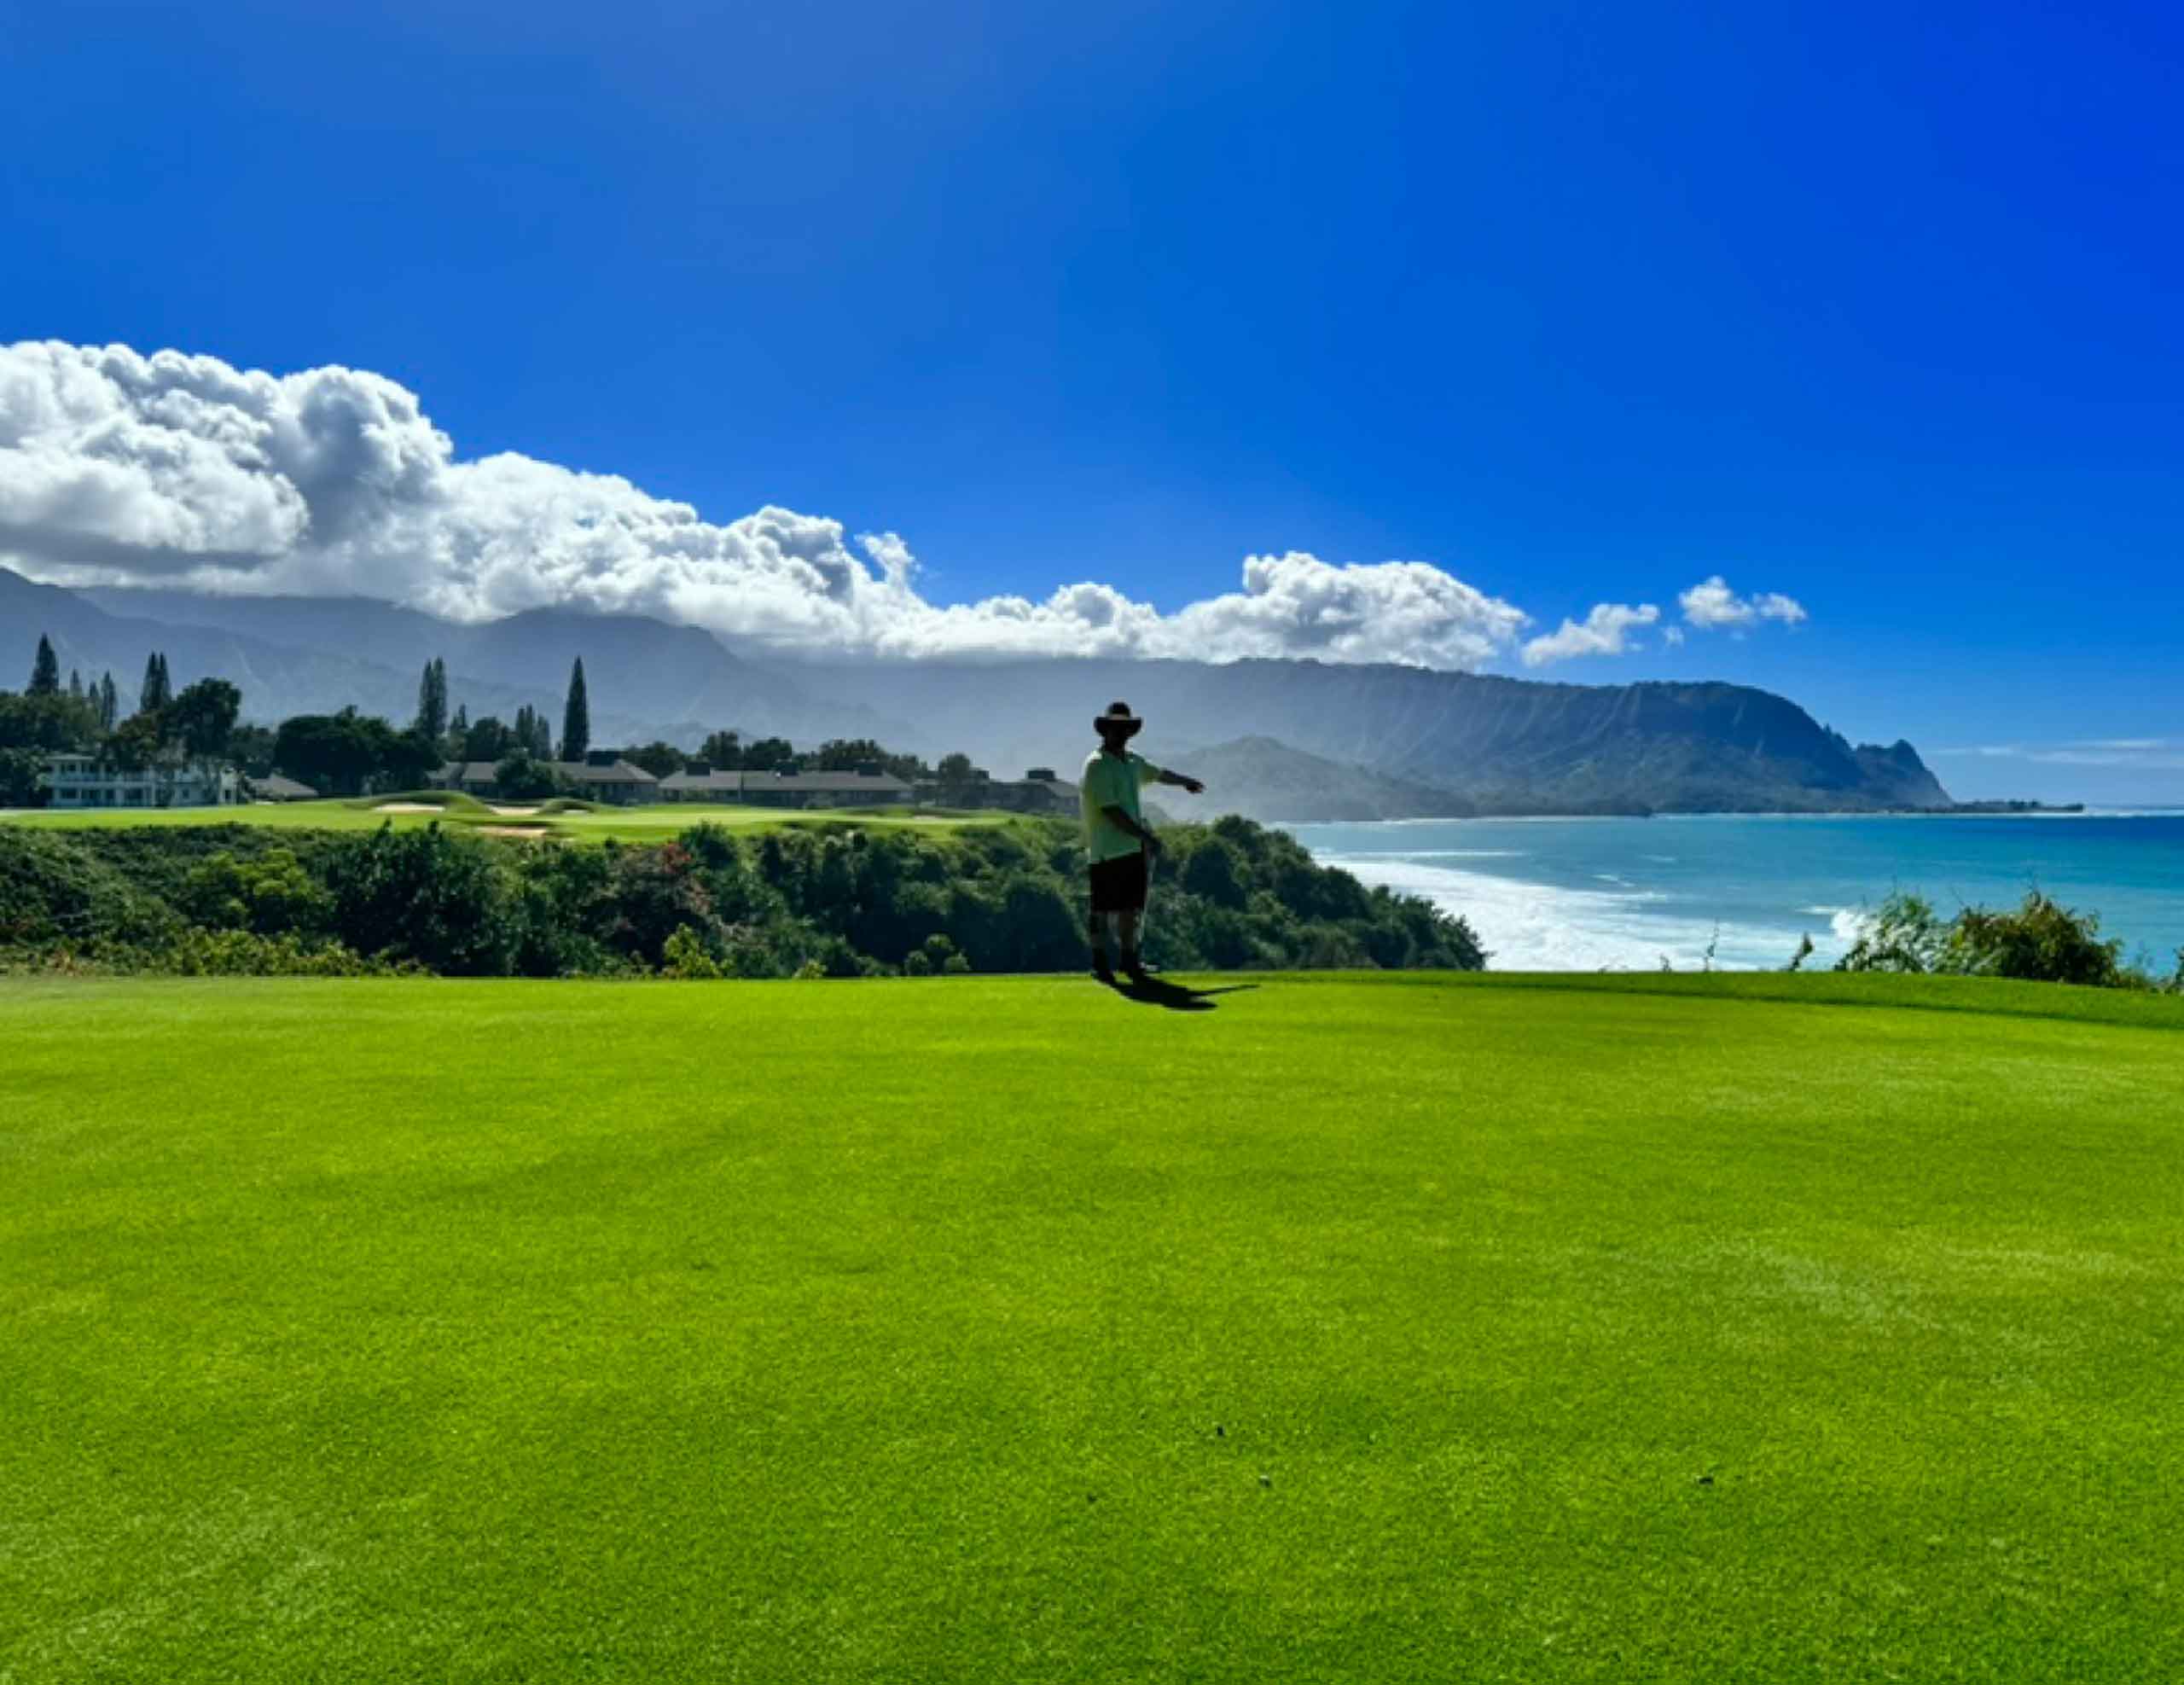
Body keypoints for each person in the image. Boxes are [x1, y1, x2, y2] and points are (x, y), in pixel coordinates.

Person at [1081, 700, 1204, 984]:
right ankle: (1100, 963)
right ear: (1106, 731)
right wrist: (1147, 836)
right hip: (1105, 850)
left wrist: (1186, 781)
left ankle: (1129, 960)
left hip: (1131, 850)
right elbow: (1112, 812)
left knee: (1129, 909)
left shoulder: (1133, 761)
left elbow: (1159, 774)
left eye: (1125, 729)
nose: (1121, 733)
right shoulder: (1097, 765)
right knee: (1101, 909)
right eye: (1116, 729)